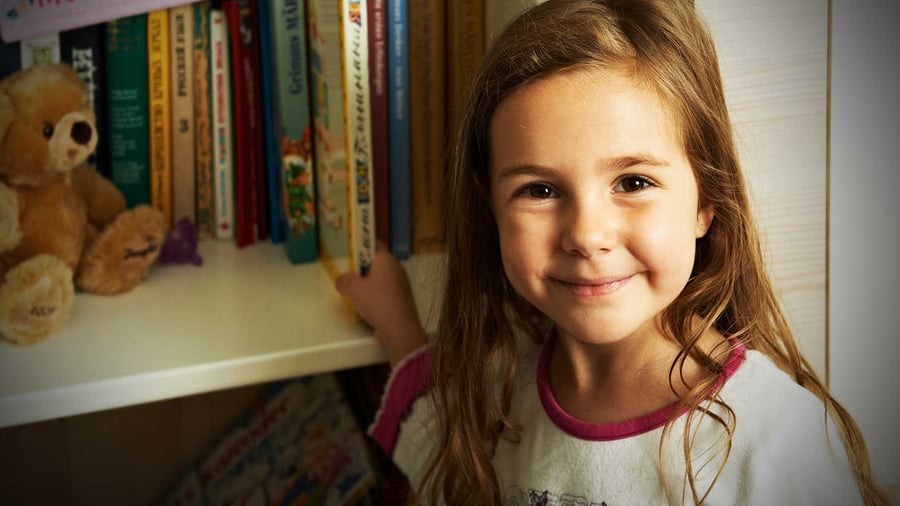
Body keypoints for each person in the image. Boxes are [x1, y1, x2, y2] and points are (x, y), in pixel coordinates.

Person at [336, 0, 889, 504]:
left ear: (706, 200)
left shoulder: (778, 442)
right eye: (539, 190)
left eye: (633, 182)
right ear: (491, 209)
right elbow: (444, 463)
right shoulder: (503, 388)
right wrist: (397, 324)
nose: (586, 234)